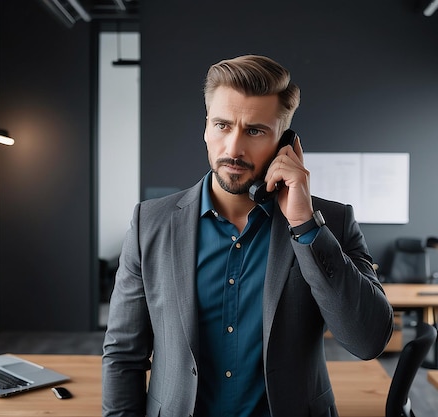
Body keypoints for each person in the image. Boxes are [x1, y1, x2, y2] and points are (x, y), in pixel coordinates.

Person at [102, 54, 394, 417]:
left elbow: (369, 340)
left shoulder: (330, 222)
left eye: (255, 131)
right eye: (223, 125)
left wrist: (304, 226)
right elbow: (123, 356)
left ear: (285, 141)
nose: (234, 149)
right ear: (206, 127)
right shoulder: (151, 223)